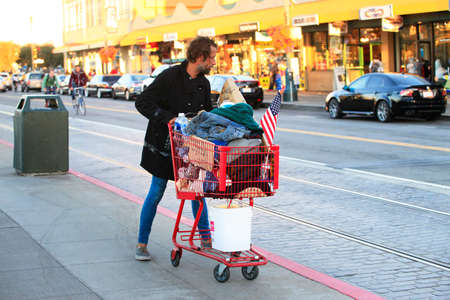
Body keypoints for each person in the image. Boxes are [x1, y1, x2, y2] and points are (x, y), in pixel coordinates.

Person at [134, 36, 217, 261]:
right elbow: (142, 102)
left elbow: (207, 113)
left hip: (191, 148)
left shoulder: (203, 83)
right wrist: (168, 118)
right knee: (156, 191)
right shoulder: (170, 76)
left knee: (196, 192)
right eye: (211, 58)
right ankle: (141, 244)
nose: (213, 62)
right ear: (199, 57)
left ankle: (206, 240)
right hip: (164, 147)